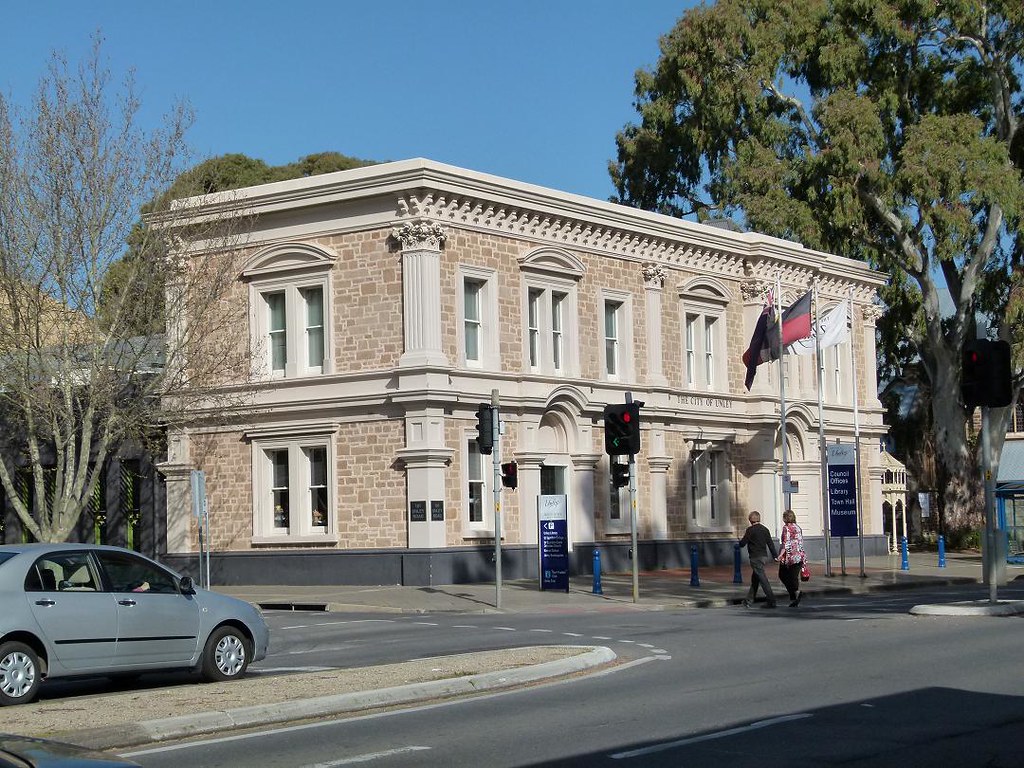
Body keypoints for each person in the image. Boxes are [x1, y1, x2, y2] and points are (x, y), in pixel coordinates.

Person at [738, 510, 778, 608]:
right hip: (763, 556)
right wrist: (775, 556)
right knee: (755, 579)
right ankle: (749, 600)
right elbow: (770, 544)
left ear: (750, 520)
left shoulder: (750, 530)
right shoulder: (765, 529)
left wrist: (739, 541)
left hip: (755, 557)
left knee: (762, 579)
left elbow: (743, 543)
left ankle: (771, 600)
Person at [778, 509, 807, 607]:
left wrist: (780, 555)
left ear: (785, 518)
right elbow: (800, 541)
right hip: (799, 555)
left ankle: (794, 594)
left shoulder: (786, 528)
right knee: (793, 576)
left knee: (782, 575)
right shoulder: (798, 527)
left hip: (790, 556)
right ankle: (794, 595)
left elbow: (785, 543)